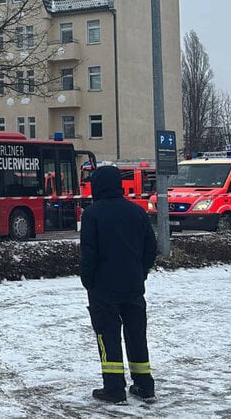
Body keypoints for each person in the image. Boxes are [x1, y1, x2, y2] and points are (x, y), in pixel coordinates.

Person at [80, 165, 157, 404]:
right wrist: (141, 273)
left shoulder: (92, 214)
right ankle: (144, 385)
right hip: (133, 286)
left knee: (108, 337)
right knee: (136, 335)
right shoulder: (137, 212)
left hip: (103, 289)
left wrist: (88, 281)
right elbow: (151, 248)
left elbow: (88, 254)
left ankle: (114, 388)